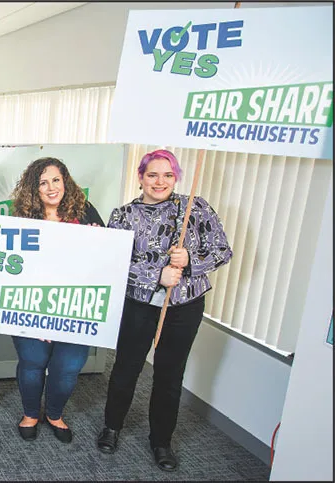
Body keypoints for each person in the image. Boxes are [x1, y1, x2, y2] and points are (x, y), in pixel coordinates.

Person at [96, 149, 232, 472]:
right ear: (141, 177)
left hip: (184, 306)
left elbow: (223, 251)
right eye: (152, 175)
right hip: (139, 305)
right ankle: (112, 426)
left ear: (177, 177)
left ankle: (161, 440)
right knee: (126, 368)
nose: (160, 182)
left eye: (167, 175)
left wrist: (189, 263)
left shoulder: (195, 208)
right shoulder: (124, 215)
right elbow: (112, 263)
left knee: (170, 375)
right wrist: (155, 275)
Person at [8, 157, 104, 444]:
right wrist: (41, 318)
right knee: (32, 363)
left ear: (66, 182)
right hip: (32, 308)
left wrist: (102, 241)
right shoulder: (22, 221)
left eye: (56, 180)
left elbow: (104, 262)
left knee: (68, 369)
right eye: (43, 182)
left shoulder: (86, 213)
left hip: (76, 308)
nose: (51, 187)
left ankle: (54, 413)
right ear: (33, 189)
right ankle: (29, 414)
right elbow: (14, 271)